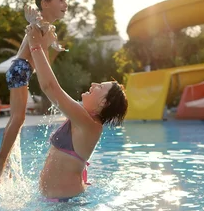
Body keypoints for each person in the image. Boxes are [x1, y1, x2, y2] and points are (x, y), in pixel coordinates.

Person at [25, 24, 128, 200]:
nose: (94, 84)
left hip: (65, 205)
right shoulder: (82, 116)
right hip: (56, 203)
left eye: (100, 87)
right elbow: (49, 79)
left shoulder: (89, 125)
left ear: (104, 102)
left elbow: (50, 87)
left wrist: (34, 44)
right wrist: (43, 45)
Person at [0, 0, 68, 182]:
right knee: (18, 118)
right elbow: (36, 25)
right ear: (45, 3)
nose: (65, 4)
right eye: (61, 0)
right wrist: (33, 21)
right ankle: (0, 159)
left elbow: (45, 60)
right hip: (20, 69)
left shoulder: (48, 27)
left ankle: (3, 159)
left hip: (21, 70)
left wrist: (53, 44)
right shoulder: (39, 23)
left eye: (65, 0)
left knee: (15, 119)